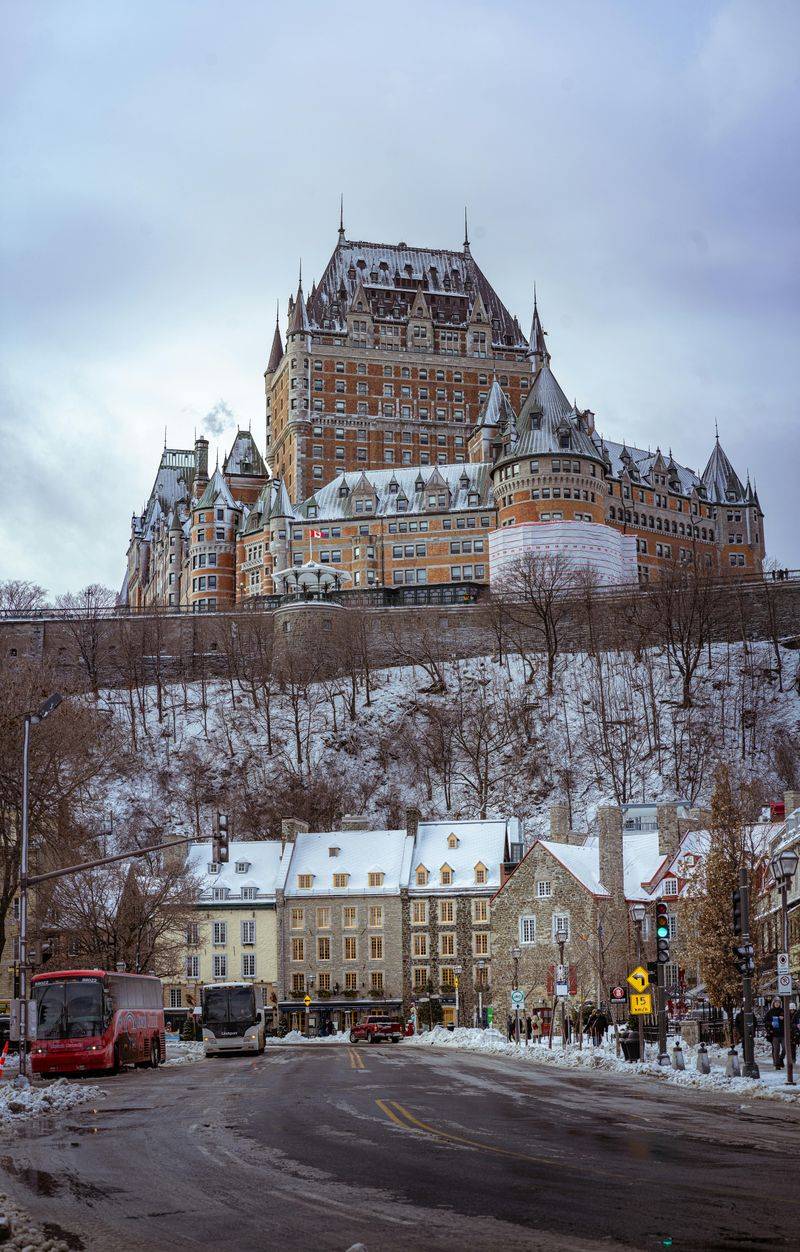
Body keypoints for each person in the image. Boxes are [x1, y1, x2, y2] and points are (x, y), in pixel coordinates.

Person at [764, 998, 785, 1068]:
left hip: (783, 1034)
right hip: (774, 1034)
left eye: (778, 1002)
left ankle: (781, 1059)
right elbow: (765, 1021)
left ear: (780, 1003)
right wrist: (771, 1023)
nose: (777, 1004)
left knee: (785, 1049)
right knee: (776, 1049)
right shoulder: (770, 1012)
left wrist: (784, 1018)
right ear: (773, 1003)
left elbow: (789, 1020)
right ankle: (777, 1064)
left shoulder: (783, 1011)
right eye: (776, 1002)